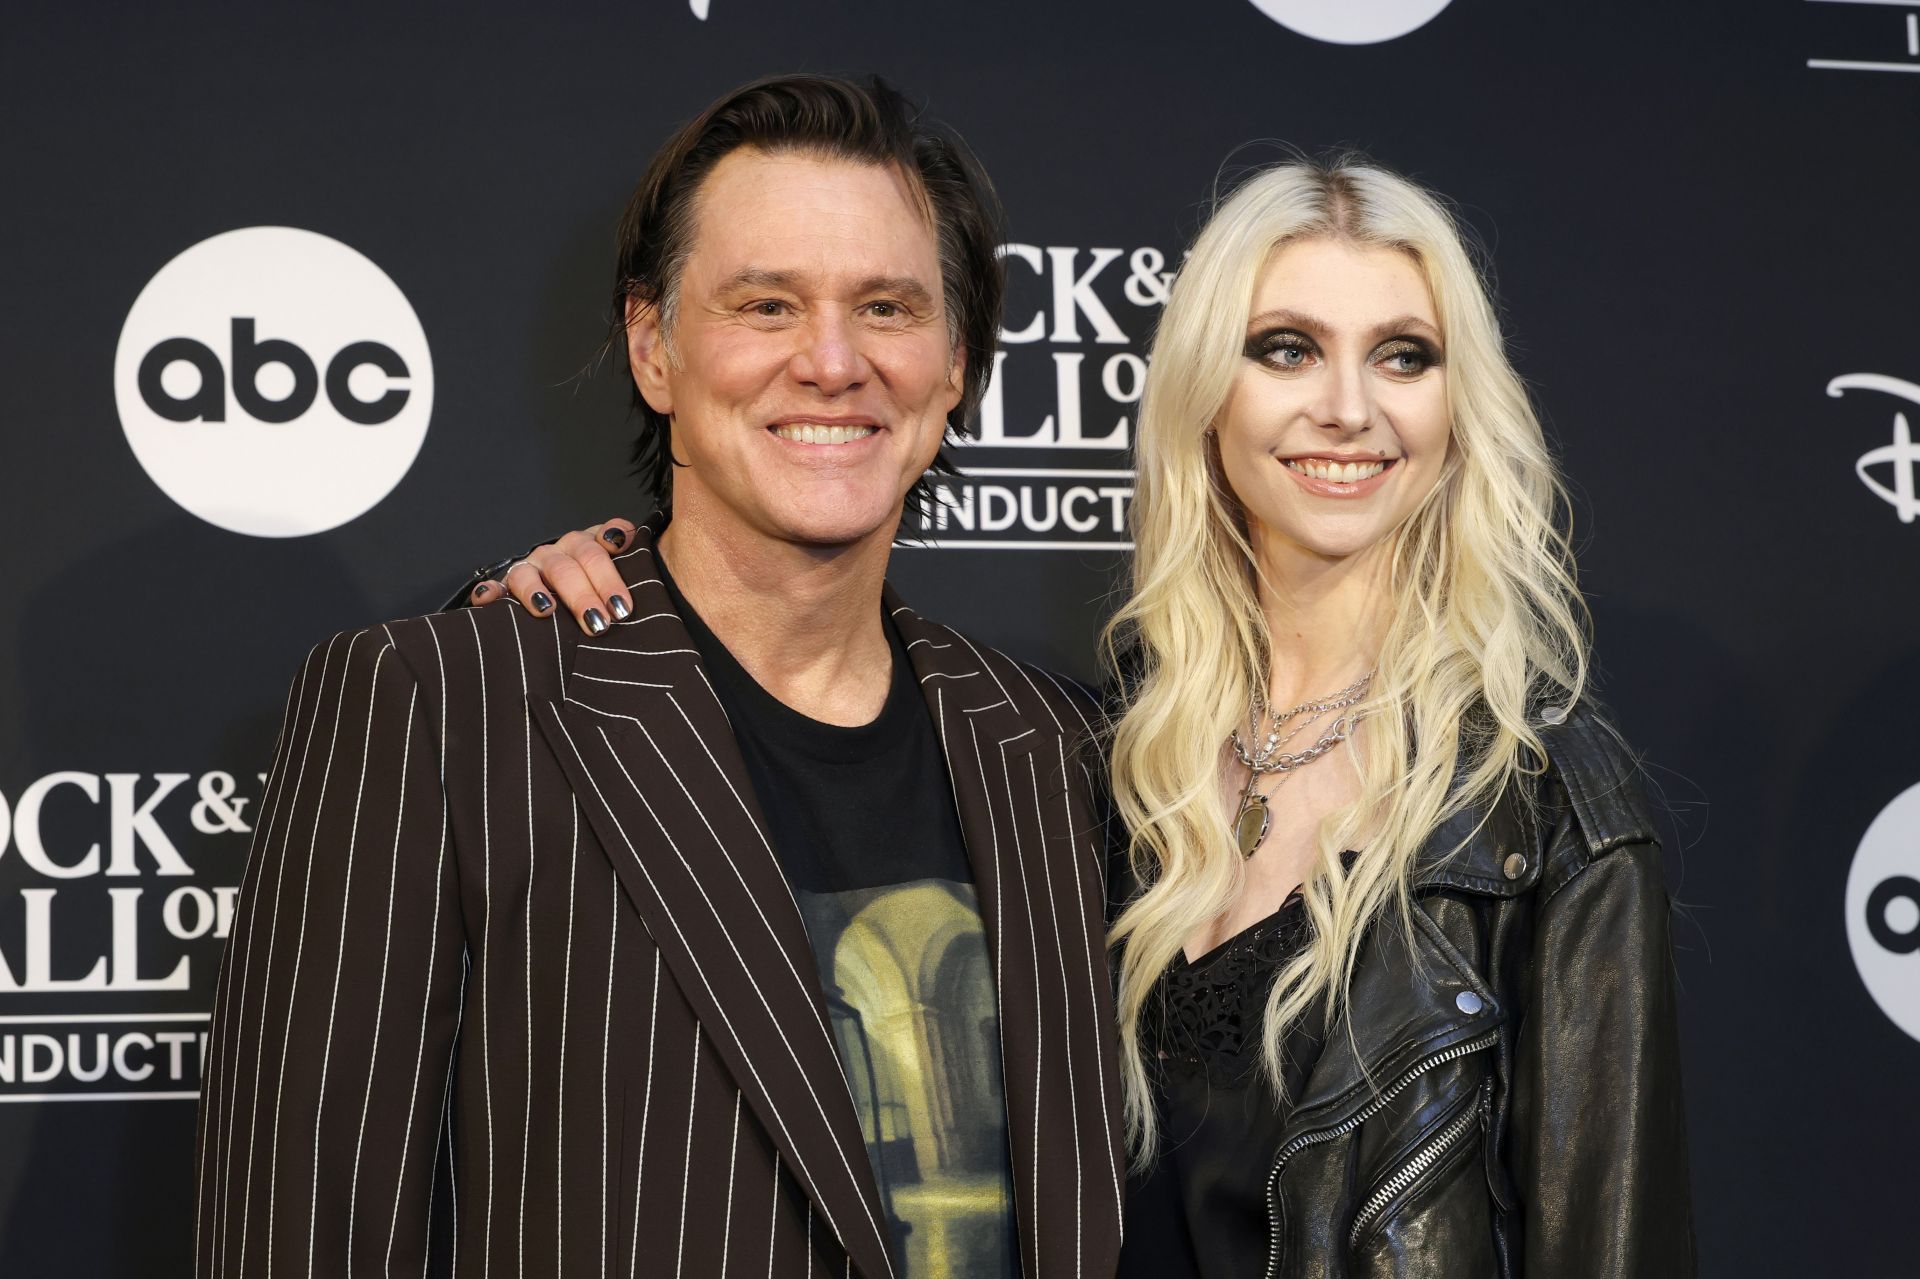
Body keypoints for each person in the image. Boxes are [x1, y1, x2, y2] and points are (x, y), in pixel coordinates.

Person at [496, 155, 1695, 1275]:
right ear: (1206, 393)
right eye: (1284, 349)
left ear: (1457, 411)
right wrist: (594, 598)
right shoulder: (1086, 759)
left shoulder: (1540, 821)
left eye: (1403, 356)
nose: (1346, 407)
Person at [193, 74, 1124, 1279]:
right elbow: (298, 1238)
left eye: (888, 306)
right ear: (654, 347)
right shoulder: (442, 708)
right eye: (767, 304)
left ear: (956, 364)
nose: (833, 362)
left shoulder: (1057, 750)